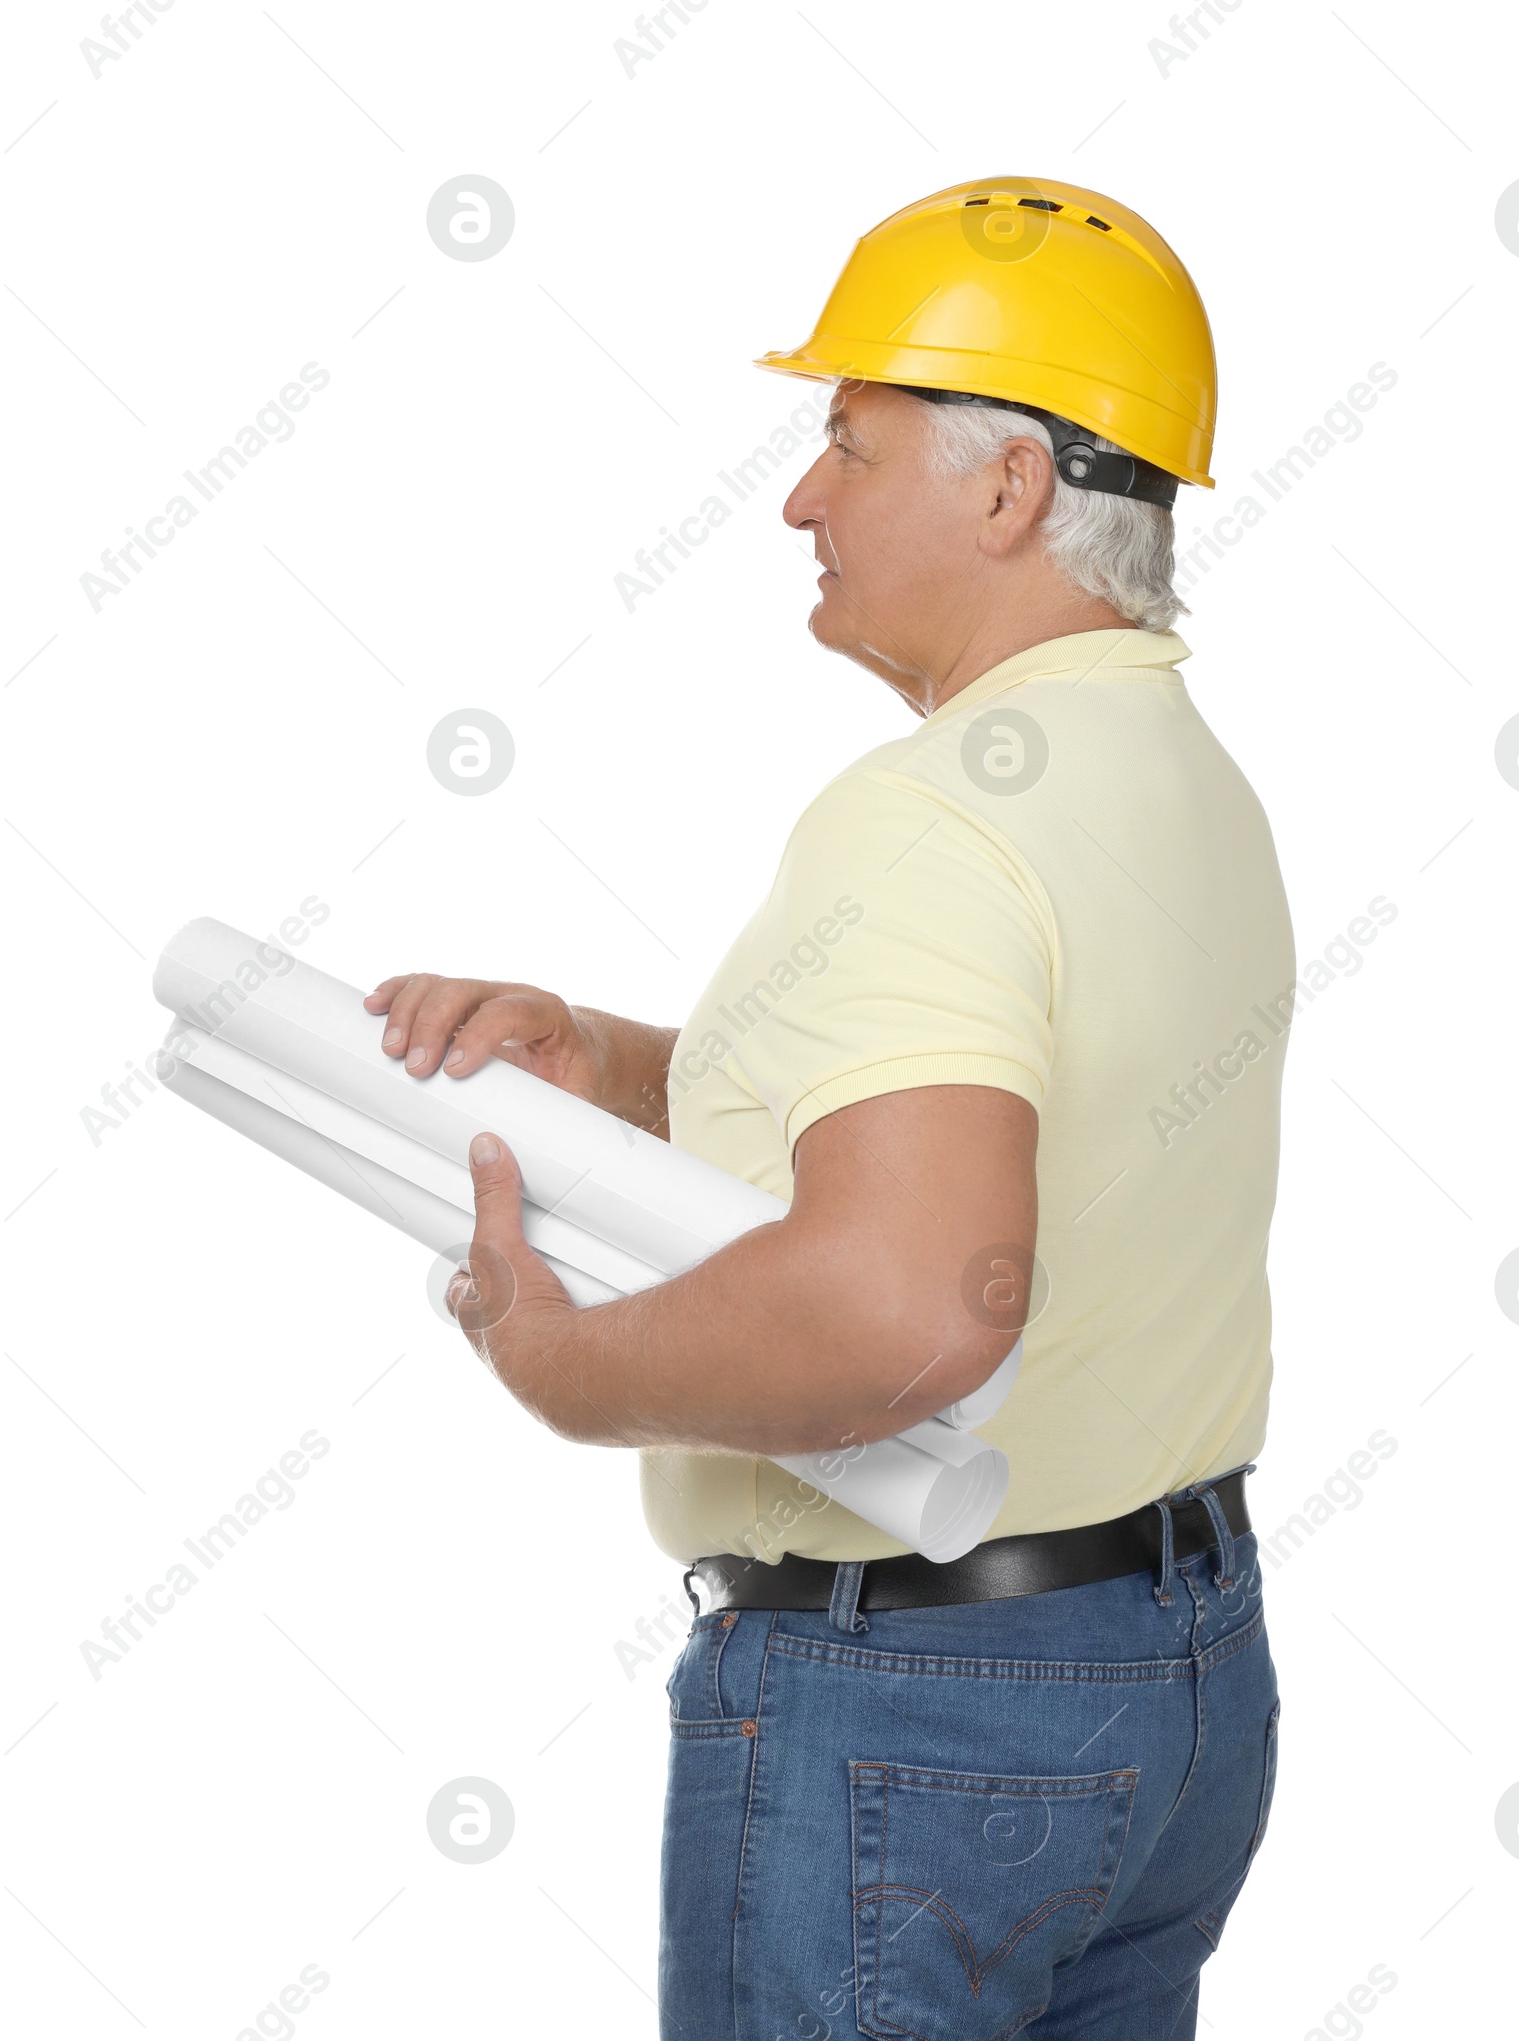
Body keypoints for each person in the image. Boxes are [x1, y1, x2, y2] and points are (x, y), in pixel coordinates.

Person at [365, 178, 1294, 2040]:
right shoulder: (1179, 775)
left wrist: (568, 1365)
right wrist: (619, 1061)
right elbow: (1018, 1104)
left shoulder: (933, 815)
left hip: (922, 1719)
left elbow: (914, 1308)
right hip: (1174, 1678)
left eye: (848, 445)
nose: (800, 499)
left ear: (1010, 487)